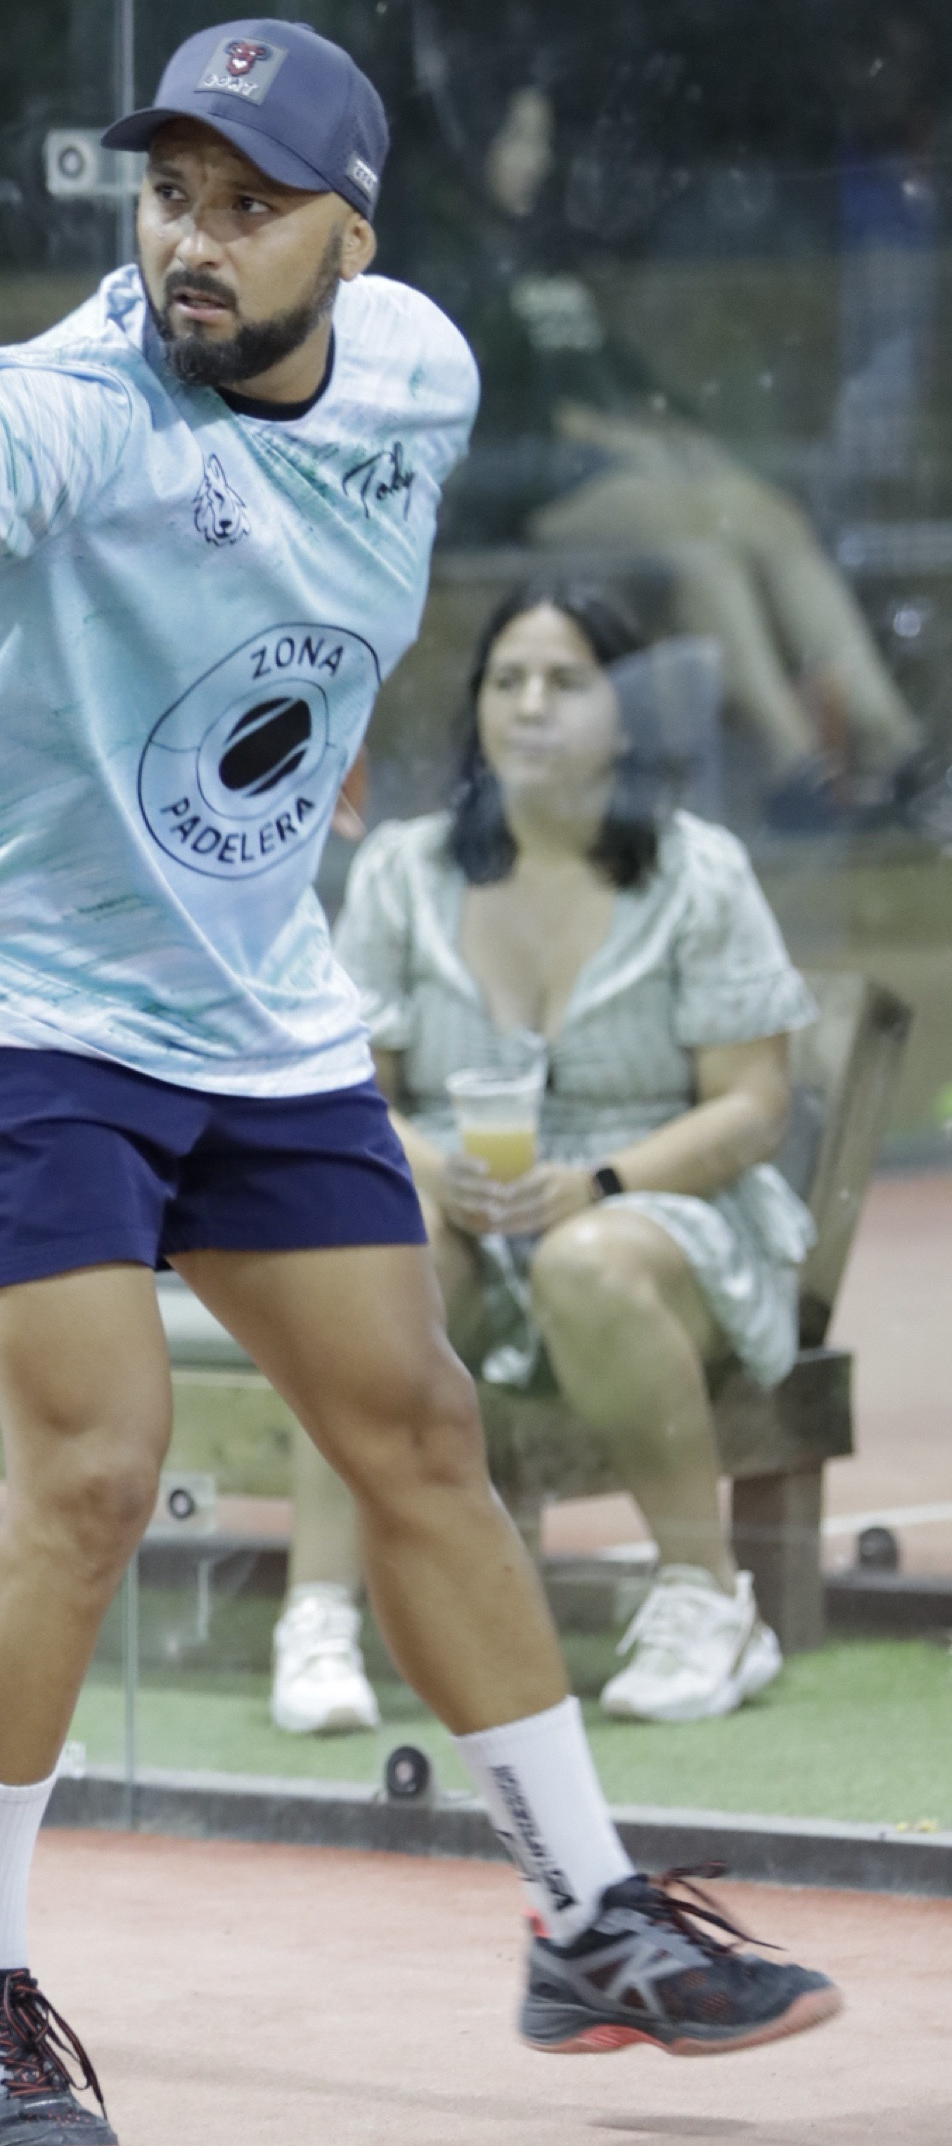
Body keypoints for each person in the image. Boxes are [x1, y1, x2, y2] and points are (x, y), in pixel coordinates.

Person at [0, 18, 840, 2146]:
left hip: (248, 1003)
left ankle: (586, 1915)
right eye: (171, 196)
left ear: (356, 237)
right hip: (5, 1000)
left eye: (252, 207)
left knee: (416, 1428)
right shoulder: (70, 404)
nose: (196, 241)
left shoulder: (423, 370)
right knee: (95, 1467)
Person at [274, 578, 817, 1734]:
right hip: (458, 1194)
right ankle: (316, 1616)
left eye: (567, 682)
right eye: (508, 681)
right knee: (365, 1259)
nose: (530, 705)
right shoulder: (407, 871)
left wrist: (596, 1186)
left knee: (587, 1262)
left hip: (660, 1205)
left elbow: (753, 1107)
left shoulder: (697, 872)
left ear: (627, 714)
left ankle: (707, 1600)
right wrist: (437, 1172)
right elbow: (351, 1089)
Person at [417, 84, 937, 836]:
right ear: (476, 140)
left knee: (773, 520)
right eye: (521, 138)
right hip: (532, 483)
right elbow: (487, 400)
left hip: (624, 462)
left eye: (543, 139)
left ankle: (896, 744)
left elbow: (616, 374)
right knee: (698, 538)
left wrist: (673, 432)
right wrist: (595, 434)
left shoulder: (534, 251)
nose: (540, 158)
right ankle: (796, 765)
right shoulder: (445, 254)